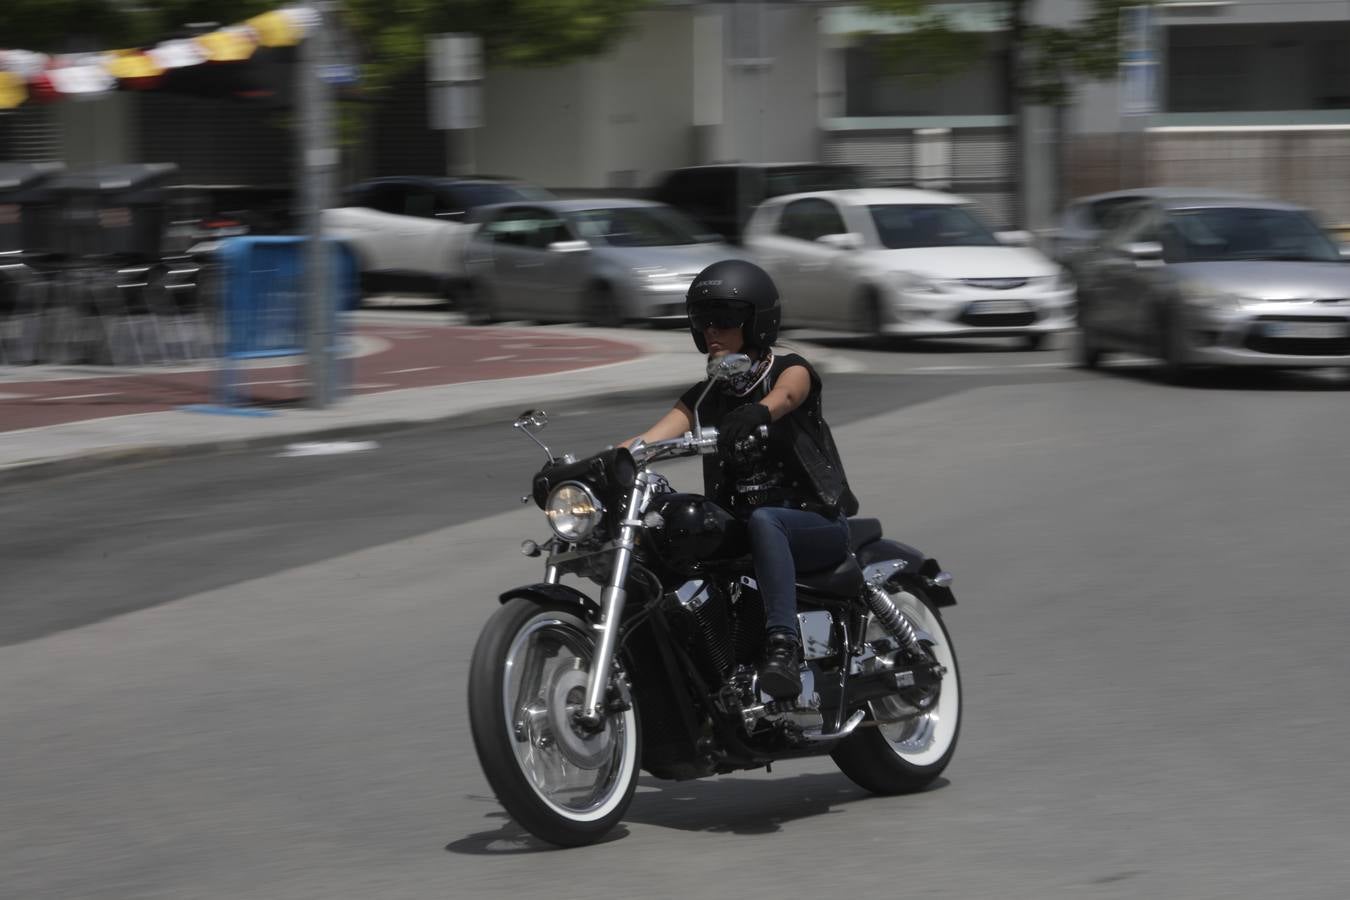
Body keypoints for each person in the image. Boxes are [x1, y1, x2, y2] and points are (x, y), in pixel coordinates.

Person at [623, 260, 858, 700]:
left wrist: (759, 411)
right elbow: (648, 440)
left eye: (726, 319)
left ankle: (782, 647)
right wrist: (594, 468)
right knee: (668, 536)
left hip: (812, 521)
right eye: (703, 320)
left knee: (767, 520)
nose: (713, 330)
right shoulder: (707, 395)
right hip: (746, 526)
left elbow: (789, 393)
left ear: (757, 322)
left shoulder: (790, 368)